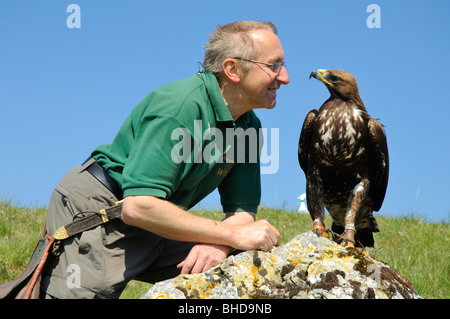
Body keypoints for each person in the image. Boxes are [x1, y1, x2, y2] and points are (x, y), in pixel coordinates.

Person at [41, 20, 290, 299]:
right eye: (273, 66)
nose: (285, 77)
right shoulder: (180, 107)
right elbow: (138, 207)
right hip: (101, 211)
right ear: (232, 69)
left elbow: (243, 211)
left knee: (241, 264)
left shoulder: (249, 126)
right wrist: (230, 236)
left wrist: (219, 245)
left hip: (157, 219)